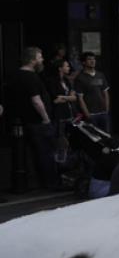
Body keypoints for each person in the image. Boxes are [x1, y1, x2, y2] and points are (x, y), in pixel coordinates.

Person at [9, 47, 59, 190]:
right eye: (40, 57)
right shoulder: (31, 77)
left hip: (24, 120)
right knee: (45, 153)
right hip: (37, 122)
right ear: (32, 60)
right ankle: (50, 184)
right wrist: (46, 119)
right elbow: (36, 101)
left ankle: (38, 182)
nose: (42, 59)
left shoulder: (15, 74)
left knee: (34, 154)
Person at [44, 59, 78, 164]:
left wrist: (64, 97)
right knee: (60, 140)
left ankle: (67, 163)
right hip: (59, 115)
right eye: (66, 66)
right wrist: (68, 97)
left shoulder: (67, 80)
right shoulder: (52, 81)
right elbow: (55, 99)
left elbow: (74, 98)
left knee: (70, 140)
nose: (68, 68)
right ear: (60, 68)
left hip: (69, 113)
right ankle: (59, 163)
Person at [74, 52, 110, 133]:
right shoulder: (80, 78)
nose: (93, 61)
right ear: (83, 62)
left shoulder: (100, 75)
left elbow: (105, 93)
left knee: (107, 137)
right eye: (89, 59)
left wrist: (106, 110)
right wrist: (87, 115)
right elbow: (80, 99)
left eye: (94, 59)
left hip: (103, 113)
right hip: (91, 114)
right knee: (95, 139)